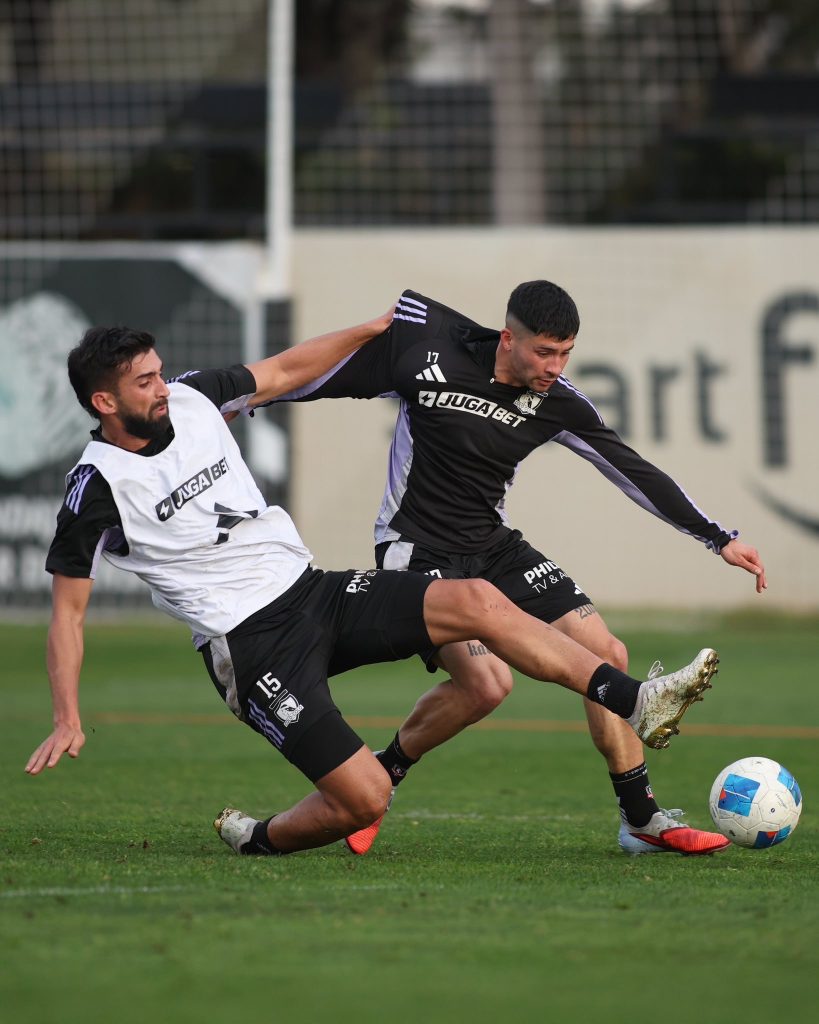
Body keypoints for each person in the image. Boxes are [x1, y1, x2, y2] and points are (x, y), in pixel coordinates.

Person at [25, 311, 721, 857]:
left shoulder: (195, 398)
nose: (161, 385)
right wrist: (66, 715)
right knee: (363, 801)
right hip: (251, 644)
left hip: (312, 593)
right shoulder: (96, 489)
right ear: (103, 401)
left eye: (158, 371)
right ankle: (260, 838)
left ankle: (637, 700)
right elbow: (68, 616)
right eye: (144, 382)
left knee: (478, 601)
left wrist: (364, 331)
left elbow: (285, 367)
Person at [263, 282, 766, 857]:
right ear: (509, 338)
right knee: (486, 685)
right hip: (416, 550)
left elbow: (632, 469)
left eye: (567, 353)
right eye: (545, 353)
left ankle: (641, 819)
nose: (556, 367)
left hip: (494, 549)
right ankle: (387, 772)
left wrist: (716, 539)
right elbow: (322, 378)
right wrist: (245, 396)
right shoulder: (430, 358)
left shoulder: (559, 401)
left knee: (608, 651)